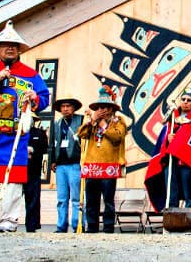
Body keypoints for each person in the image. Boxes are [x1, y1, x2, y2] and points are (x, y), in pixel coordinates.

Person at [0, 20, 50, 232]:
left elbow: (44, 98)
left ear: (20, 49)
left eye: (14, 45)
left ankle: (9, 220)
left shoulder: (31, 74)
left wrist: (35, 97)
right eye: (5, 44)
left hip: (16, 135)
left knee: (14, 179)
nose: (10, 48)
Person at [145, 88, 191, 212]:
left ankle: (190, 217)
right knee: (171, 190)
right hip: (171, 161)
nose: (185, 102)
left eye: (189, 100)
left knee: (188, 190)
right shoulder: (172, 118)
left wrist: (178, 141)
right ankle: (172, 217)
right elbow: (162, 140)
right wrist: (168, 139)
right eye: (183, 99)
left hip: (186, 162)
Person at [77, 85, 128, 233]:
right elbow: (81, 134)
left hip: (109, 165)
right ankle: (91, 227)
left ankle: (108, 227)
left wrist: (104, 125)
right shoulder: (91, 121)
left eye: (106, 107)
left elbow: (117, 137)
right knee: (91, 201)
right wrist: (92, 120)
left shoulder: (119, 121)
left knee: (108, 201)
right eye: (99, 107)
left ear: (112, 108)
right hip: (92, 165)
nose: (102, 110)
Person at [49, 96, 84, 233]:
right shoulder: (57, 124)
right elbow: (51, 144)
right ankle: (61, 226)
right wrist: (52, 160)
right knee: (62, 198)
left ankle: (77, 225)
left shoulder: (81, 120)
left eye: (68, 106)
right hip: (61, 165)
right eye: (63, 107)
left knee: (76, 198)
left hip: (75, 163)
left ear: (73, 108)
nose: (65, 109)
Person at [24, 113, 48, 232]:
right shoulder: (15, 133)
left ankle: (32, 225)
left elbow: (44, 148)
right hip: (18, 169)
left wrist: (32, 150)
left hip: (34, 170)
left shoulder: (39, 133)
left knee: (33, 198)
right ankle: (10, 221)